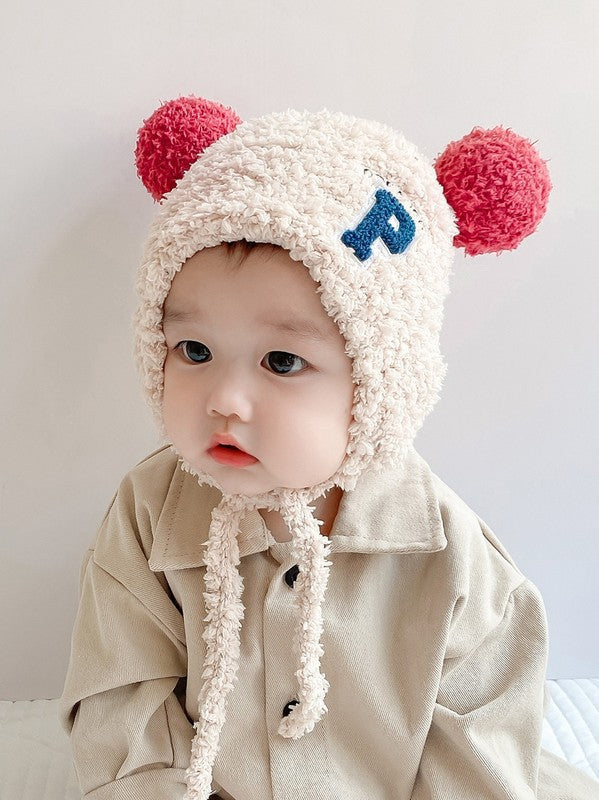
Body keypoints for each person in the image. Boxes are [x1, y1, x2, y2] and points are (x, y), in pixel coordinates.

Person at [58, 96, 599, 800]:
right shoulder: (147, 513)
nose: (225, 399)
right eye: (193, 350)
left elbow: (479, 747)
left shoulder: (451, 560)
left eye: (282, 362)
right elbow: (122, 705)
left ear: (380, 382)